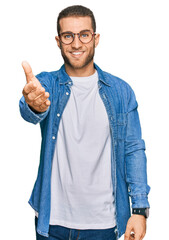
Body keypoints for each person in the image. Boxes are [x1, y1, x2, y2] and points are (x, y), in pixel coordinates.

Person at [19, 5, 150, 240]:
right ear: (58, 41)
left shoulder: (121, 92)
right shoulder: (46, 84)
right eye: (68, 36)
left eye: (84, 35)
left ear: (95, 38)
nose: (76, 44)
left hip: (104, 224)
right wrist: (33, 105)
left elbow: (134, 150)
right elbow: (30, 108)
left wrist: (139, 209)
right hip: (52, 223)